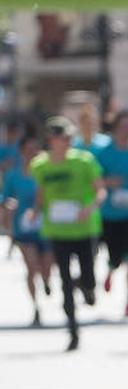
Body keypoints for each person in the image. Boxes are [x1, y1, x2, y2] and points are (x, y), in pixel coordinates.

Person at [30, 116, 104, 351]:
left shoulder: (84, 160)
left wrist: (89, 209)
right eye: (62, 137)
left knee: (89, 277)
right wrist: (35, 210)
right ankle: (72, 327)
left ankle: (87, 286)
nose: (67, 141)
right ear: (51, 139)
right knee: (63, 279)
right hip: (58, 230)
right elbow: (41, 192)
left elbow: (100, 191)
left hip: (84, 229)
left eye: (69, 137)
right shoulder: (40, 165)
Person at [96, 110, 128, 316]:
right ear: (115, 128)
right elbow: (94, 180)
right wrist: (108, 182)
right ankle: (110, 270)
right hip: (109, 214)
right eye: (122, 126)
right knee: (115, 257)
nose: (126, 131)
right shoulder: (103, 152)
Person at [2, 134, 52, 325]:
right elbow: (5, 198)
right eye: (28, 150)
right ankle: (36, 306)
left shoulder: (46, 172)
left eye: (35, 150)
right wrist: (8, 209)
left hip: (46, 227)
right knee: (31, 268)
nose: (32, 154)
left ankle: (47, 281)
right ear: (21, 152)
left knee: (46, 266)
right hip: (23, 228)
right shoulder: (13, 175)